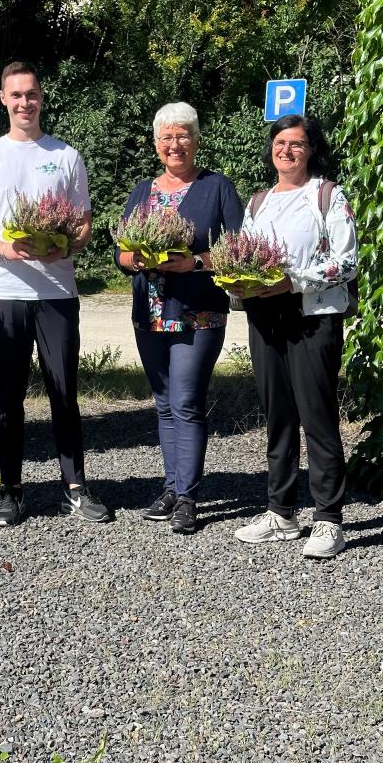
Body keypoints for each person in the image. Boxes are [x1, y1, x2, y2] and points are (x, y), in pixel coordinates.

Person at [0, 61, 108, 526]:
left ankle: (76, 486)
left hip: (57, 291)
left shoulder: (66, 155)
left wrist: (67, 243)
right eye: (16, 95)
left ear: (41, 98)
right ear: (2, 99)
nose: (24, 102)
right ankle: (11, 489)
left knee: (63, 392)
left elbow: (83, 223)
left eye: (31, 94)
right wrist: (8, 249)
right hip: (6, 291)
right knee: (9, 397)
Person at [233, 114, 357, 559]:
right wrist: (236, 280)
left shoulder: (326, 196)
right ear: (271, 149)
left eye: (297, 144)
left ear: (311, 150)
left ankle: (328, 519)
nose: (287, 151)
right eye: (280, 143)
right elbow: (244, 255)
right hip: (265, 317)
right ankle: (281, 512)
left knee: (317, 417)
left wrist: (294, 280)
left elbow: (347, 262)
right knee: (278, 417)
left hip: (312, 317)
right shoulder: (258, 202)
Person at [116, 102, 243, 534]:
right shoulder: (142, 191)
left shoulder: (217, 188)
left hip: (198, 312)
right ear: (156, 144)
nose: (176, 144)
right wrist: (132, 258)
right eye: (167, 137)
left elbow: (238, 250)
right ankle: (171, 487)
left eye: (183, 135)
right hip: (150, 312)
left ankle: (188, 497)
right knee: (165, 404)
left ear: (196, 140)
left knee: (186, 402)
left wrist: (196, 262)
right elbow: (120, 252)